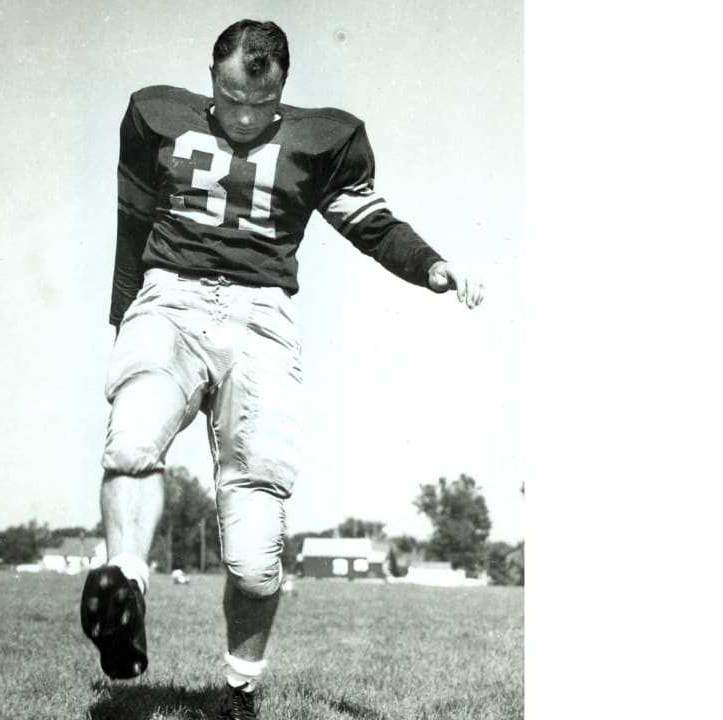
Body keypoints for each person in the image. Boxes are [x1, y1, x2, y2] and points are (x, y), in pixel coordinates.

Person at [79, 18, 484, 720]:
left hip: (262, 322)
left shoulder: (323, 139)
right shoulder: (157, 115)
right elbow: (132, 219)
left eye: (257, 107)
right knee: (132, 436)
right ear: (211, 78)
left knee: (255, 549)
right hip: (169, 298)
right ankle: (125, 584)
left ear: (282, 92)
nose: (240, 118)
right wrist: (124, 315)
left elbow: (373, 224)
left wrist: (433, 266)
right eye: (229, 99)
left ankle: (239, 690)